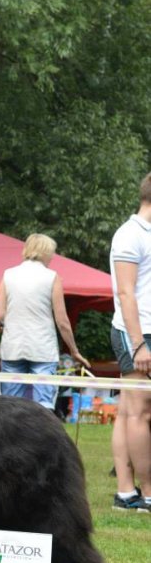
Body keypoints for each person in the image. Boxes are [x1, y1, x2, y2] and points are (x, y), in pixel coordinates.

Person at [0, 233, 90, 410]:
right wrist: (74, 351)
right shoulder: (52, 277)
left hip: (13, 346)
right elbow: (62, 321)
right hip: (42, 347)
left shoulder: (8, 274)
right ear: (46, 253)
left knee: (10, 405)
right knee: (43, 404)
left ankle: (12, 437)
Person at [110, 173, 151, 513]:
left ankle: (126, 493)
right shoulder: (129, 234)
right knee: (141, 413)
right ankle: (148, 494)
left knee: (127, 413)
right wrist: (139, 345)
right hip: (138, 332)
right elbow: (125, 293)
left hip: (144, 331)